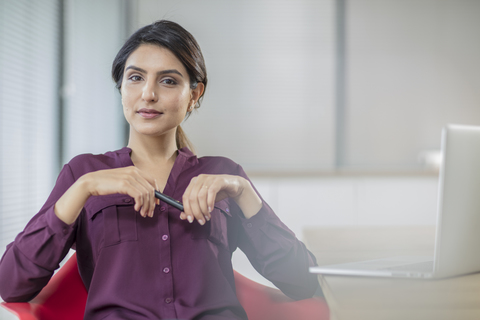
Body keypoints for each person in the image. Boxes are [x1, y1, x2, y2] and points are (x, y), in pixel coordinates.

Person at [0, 20, 319, 320]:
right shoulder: (84, 173)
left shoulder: (223, 174)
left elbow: (302, 281)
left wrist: (244, 192)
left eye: (168, 81)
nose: (148, 94)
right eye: (135, 78)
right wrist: (83, 188)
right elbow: (10, 284)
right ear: (121, 87)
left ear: (194, 95)